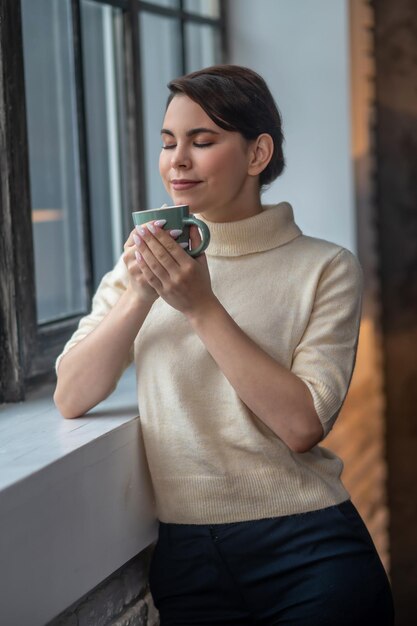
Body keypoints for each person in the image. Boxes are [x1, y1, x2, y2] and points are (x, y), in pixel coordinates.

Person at [54, 65, 394, 625]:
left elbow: (303, 425)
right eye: (168, 143)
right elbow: (72, 395)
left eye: (201, 141)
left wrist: (201, 306)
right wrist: (143, 292)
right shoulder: (140, 263)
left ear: (258, 154)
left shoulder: (326, 268)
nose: (176, 161)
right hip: (186, 558)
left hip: (309, 549)